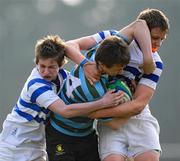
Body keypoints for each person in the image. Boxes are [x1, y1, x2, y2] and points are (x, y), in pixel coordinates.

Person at [45, 19, 155, 161]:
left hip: (85, 135)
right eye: (119, 68)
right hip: (61, 134)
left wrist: (148, 60)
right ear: (103, 66)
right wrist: (134, 105)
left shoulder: (99, 51)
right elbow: (114, 124)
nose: (122, 71)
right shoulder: (96, 91)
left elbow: (139, 24)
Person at [0, 35, 123, 161]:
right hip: (14, 145)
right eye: (42, 66)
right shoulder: (36, 85)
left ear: (61, 64)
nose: (46, 72)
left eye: (51, 67)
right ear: (37, 62)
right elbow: (65, 111)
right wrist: (103, 102)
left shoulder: (63, 77)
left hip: (37, 146)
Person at [88, 8, 170, 161]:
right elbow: (74, 46)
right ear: (145, 31)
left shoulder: (156, 63)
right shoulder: (114, 40)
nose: (158, 43)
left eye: (162, 39)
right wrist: (86, 65)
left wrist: (96, 113)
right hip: (110, 117)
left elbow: (138, 105)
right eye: (154, 37)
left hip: (135, 116)